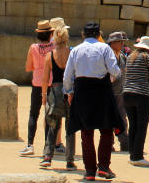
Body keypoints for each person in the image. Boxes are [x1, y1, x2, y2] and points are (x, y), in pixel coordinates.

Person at [63, 22, 122, 181]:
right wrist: (111, 77)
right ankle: (103, 167)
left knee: (86, 132)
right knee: (106, 130)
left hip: (82, 92)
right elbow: (115, 71)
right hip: (102, 91)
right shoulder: (105, 48)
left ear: (83, 34)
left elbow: (67, 76)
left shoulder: (75, 50)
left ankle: (89, 171)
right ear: (98, 34)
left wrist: (69, 92)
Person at [123, 36, 149, 167]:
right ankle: (138, 156)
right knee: (142, 126)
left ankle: (132, 155)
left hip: (127, 93)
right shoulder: (146, 57)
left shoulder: (130, 57)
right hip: (142, 94)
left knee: (133, 125)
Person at [40, 25, 76, 169]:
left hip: (55, 92)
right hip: (70, 91)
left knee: (53, 125)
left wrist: (43, 95)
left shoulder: (50, 55)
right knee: (70, 127)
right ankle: (69, 160)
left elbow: (44, 78)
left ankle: (48, 156)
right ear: (66, 38)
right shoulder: (72, 53)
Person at [19, 20, 55, 156]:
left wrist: (38, 67)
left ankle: (30, 145)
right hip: (51, 83)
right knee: (49, 115)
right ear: (50, 34)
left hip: (37, 83)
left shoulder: (33, 48)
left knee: (34, 113)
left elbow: (28, 67)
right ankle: (48, 146)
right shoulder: (54, 47)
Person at [107, 32, 129, 153]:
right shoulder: (107, 56)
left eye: (122, 41)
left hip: (120, 92)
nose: (122, 43)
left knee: (122, 117)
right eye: (120, 41)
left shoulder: (122, 56)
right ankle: (109, 143)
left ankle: (124, 143)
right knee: (109, 119)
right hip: (109, 92)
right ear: (113, 43)